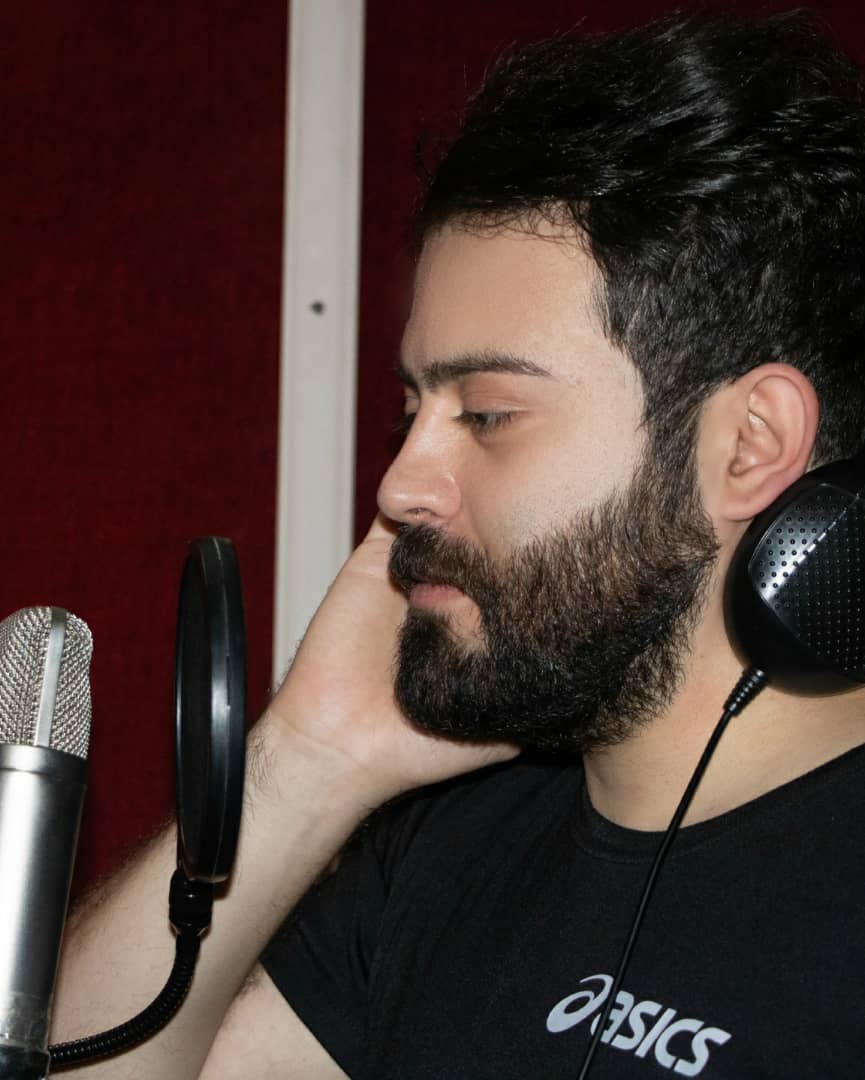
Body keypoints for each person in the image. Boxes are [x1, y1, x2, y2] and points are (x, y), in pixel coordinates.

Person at [51, 9, 865, 1078]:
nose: (397, 484)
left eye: (486, 413)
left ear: (748, 443)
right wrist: (311, 761)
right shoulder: (451, 838)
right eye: (410, 411)